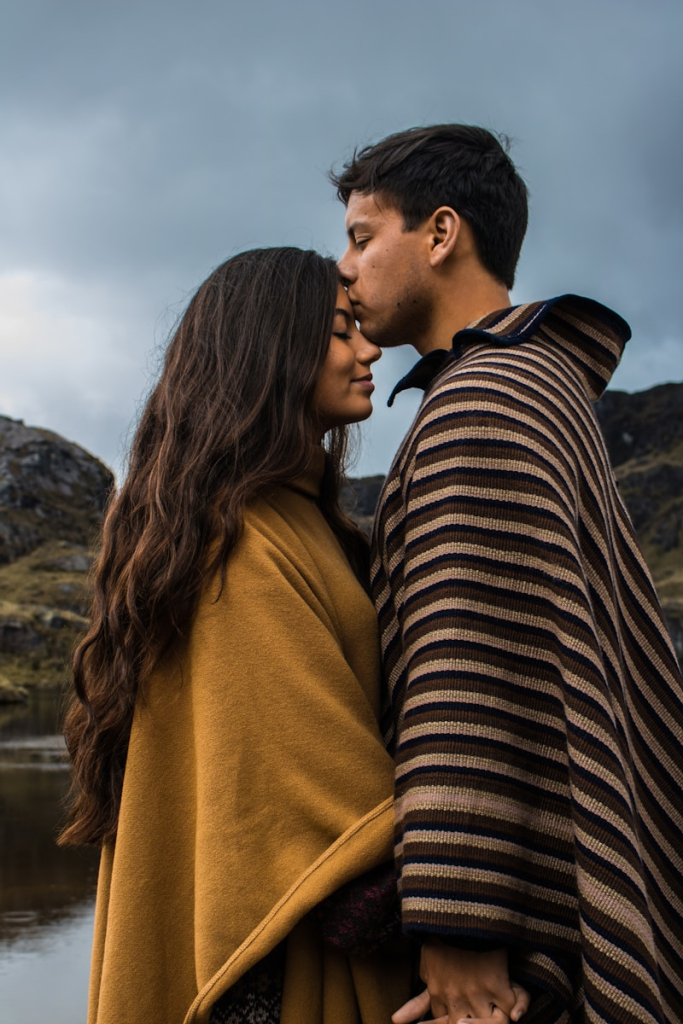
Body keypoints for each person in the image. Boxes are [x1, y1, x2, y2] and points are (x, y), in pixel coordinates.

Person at [332, 124, 683, 1024]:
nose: (344, 266)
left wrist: (458, 936)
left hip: (500, 962)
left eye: (362, 237)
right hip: (543, 903)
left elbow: (465, 677)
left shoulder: (482, 400)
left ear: (441, 233)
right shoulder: (537, 381)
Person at [59, 247, 414, 1024]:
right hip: (271, 967)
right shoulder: (243, 541)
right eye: (339, 331)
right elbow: (312, 806)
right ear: (270, 350)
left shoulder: (276, 516)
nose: (368, 350)